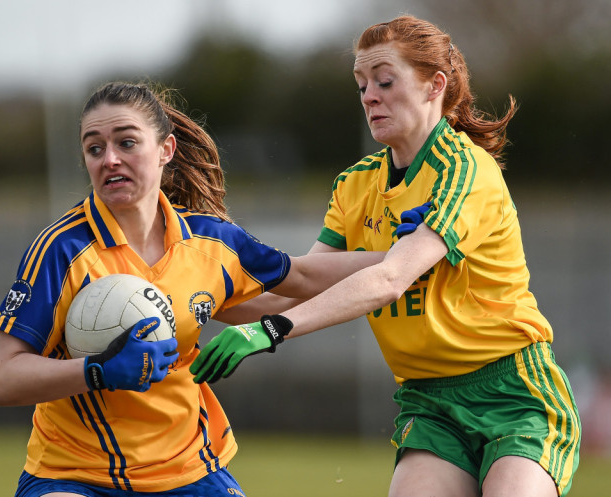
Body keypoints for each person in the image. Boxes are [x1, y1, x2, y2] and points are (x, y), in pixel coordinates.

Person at [190, 15, 581, 497]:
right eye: (361, 85)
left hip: (513, 392)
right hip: (428, 401)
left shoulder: (465, 169)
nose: (369, 96)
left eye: (384, 81)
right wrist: (194, 302)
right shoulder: (354, 185)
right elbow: (305, 285)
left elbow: (391, 277)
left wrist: (270, 331)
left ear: (434, 85)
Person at [0, 81, 384, 496]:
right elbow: (1, 380)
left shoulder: (212, 241)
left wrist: (408, 257)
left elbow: (302, 277)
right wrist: (96, 370)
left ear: (166, 150)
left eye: (126, 142)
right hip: (74, 474)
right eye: (95, 148)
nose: (111, 159)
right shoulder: (61, 250)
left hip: (189, 470)